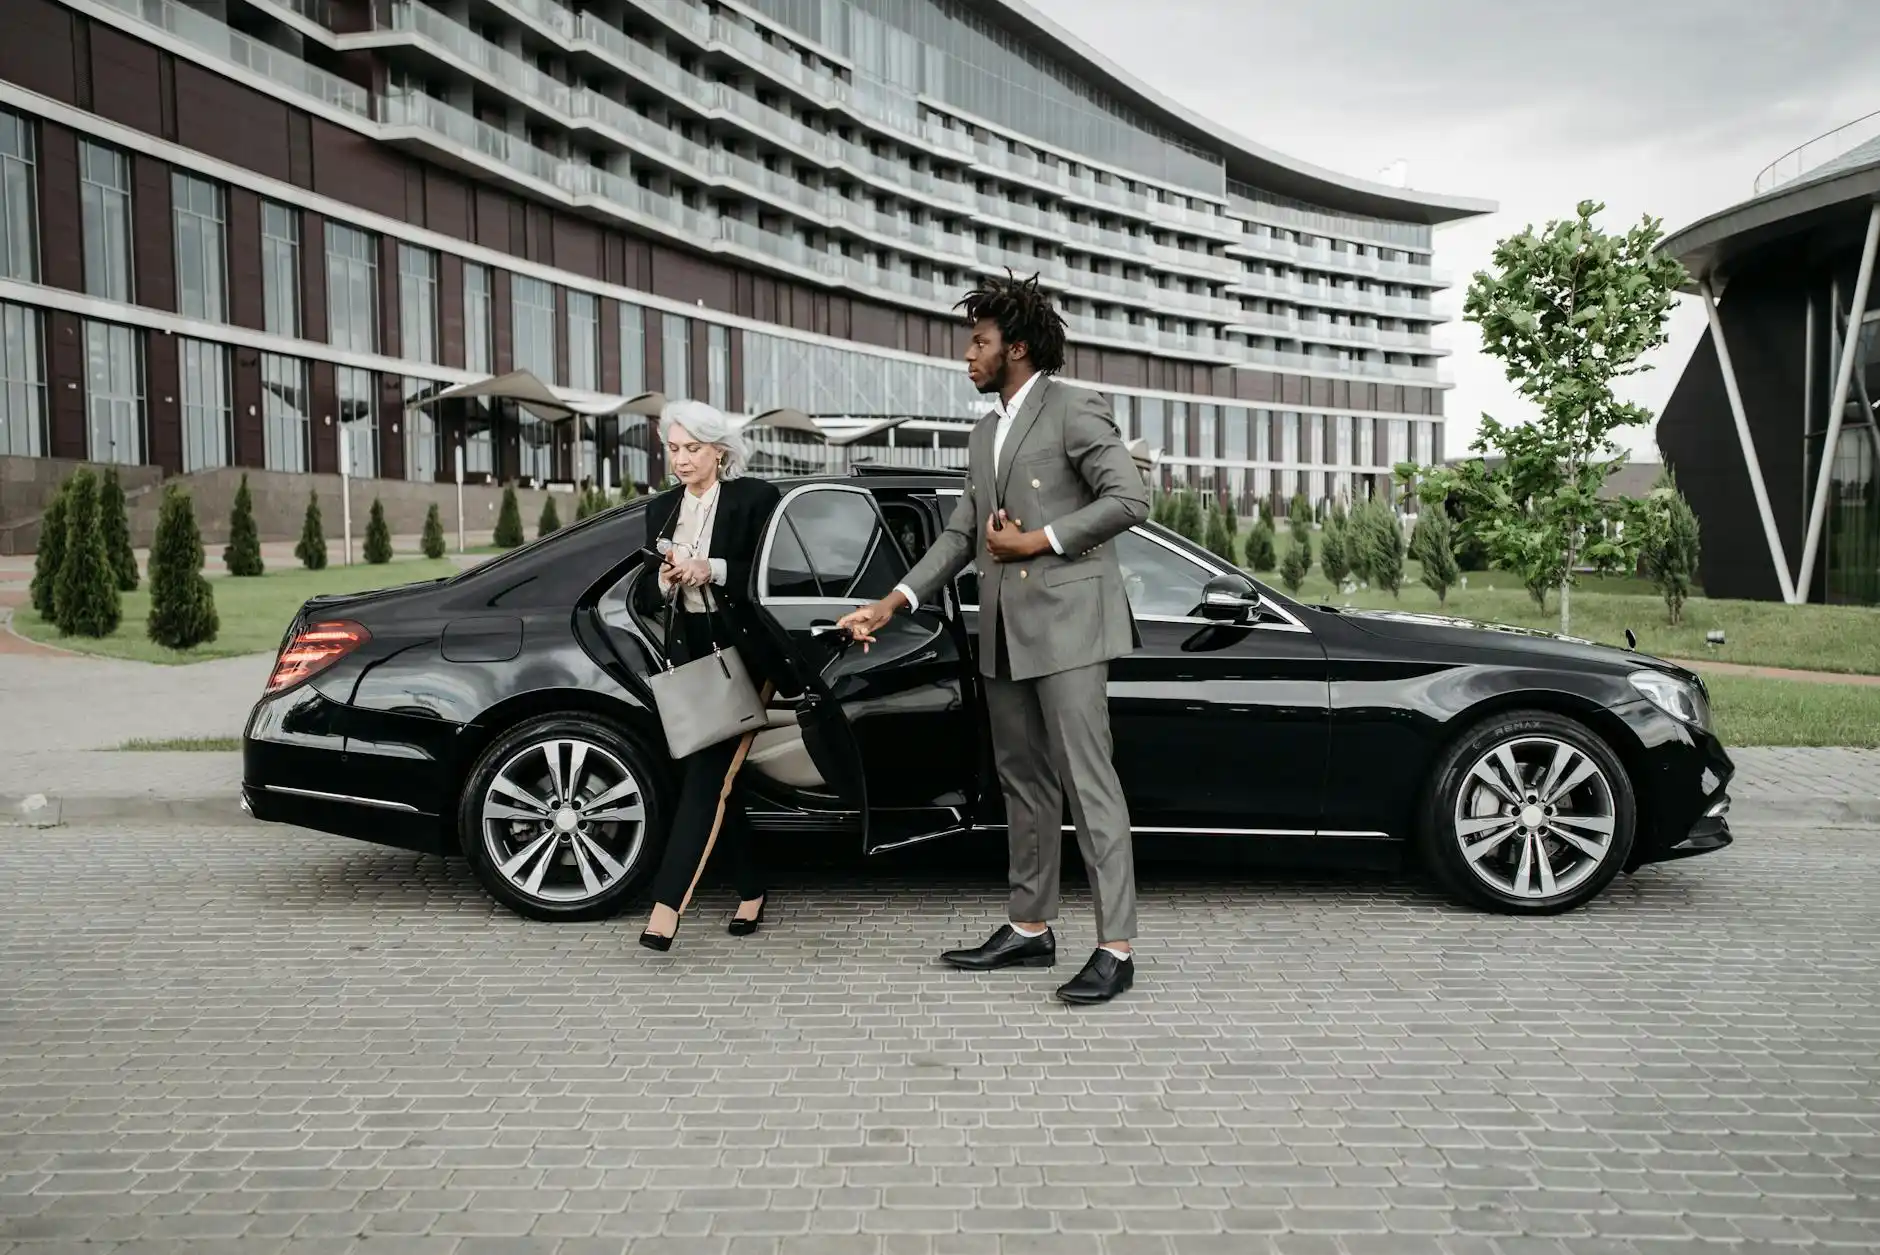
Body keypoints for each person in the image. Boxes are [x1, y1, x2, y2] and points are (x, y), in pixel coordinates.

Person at [838, 273, 1150, 1005]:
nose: (966, 356)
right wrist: (891, 602)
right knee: (1025, 783)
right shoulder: (985, 431)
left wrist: (1038, 539)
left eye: (978, 343)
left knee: (1088, 783)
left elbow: (1130, 498)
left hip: (1070, 628)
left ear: (1015, 347)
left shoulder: (1074, 407)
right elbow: (959, 534)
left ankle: (1117, 947)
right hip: (1005, 633)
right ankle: (1031, 927)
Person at [633, 399, 783, 952]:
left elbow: (772, 575)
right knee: (722, 778)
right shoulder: (663, 510)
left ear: (720, 451)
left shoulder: (754, 499)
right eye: (673, 449)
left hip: (745, 651)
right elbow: (646, 592)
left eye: (692, 449)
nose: (681, 460)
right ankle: (751, 888)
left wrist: (711, 568)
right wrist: (670, 580)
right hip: (691, 650)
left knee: (707, 777)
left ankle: (666, 908)